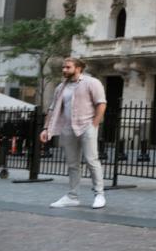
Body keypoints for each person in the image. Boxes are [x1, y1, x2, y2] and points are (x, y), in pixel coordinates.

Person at [40, 57, 108, 209]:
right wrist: (46, 128)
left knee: (92, 160)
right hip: (67, 128)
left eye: (68, 67)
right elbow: (52, 109)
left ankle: (99, 194)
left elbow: (101, 103)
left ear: (78, 68)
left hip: (86, 126)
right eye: (63, 67)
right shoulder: (60, 87)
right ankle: (72, 196)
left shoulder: (92, 82)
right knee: (72, 164)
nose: (64, 70)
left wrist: (94, 124)